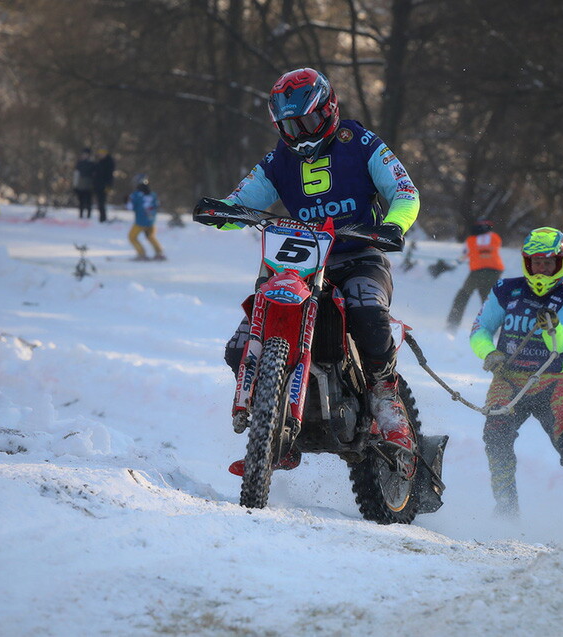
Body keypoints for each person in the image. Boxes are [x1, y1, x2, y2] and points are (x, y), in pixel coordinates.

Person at [206, 67, 421, 468]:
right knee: (240, 345)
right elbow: (243, 200)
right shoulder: (278, 160)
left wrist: (395, 224)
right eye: (290, 125)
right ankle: (272, 432)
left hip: (360, 254)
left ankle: (384, 392)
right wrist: (221, 211)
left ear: (329, 109)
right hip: (299, 262)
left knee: (368, 311)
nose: (301, 133)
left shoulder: (361, 143)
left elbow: (404, 191)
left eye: (307, 121)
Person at [470, 226, 563, 533]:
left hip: (550, 383)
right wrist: (488, 352)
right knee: (495, 437)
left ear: (561, 263)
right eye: (536, 261)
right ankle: (506, 512)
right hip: (507, 380)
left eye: (549, 262)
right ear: (527, 261)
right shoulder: (504, 290)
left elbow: (562, 341)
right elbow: (480, 328)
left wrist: (553, 330)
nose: (542, 268)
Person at [446, 219, 504, 332]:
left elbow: (463, 256)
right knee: (490, 300)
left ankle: (452, 324)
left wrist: (455, 263)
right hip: (494, 273)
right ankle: (495, 327)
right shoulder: (495, 237)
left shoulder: (471, 240)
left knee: (463, 295)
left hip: (477, 273)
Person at [128, 176, 165, 261]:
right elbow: (156, 205)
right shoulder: (153, 194)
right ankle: (159, 253)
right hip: (151, 221)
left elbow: (130, 207)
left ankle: (142, 254)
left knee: (132, 237)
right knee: (151, 236)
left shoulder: (136, 195)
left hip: (140, 221)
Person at [72, 148, 96, 219]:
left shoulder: (92, 164)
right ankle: (81, 215)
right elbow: (76, 175)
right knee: (81, 201)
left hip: (89, 185)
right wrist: (75, 185)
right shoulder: (79, 163)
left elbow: (94, 175)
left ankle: (88, 215)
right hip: (80, 185)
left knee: (88, 201)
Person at [93, 148, 115, 223]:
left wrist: (108, 186)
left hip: (105, 185)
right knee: (99, 203)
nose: (101, 155)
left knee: (102, 202)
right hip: (98, 185)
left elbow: (109, 176)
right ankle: (102, 218)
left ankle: (103, 218)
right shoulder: (99, 162)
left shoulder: (109, 162)